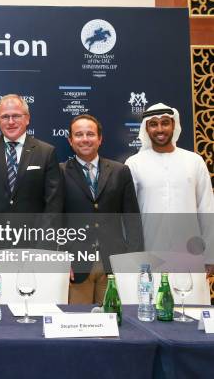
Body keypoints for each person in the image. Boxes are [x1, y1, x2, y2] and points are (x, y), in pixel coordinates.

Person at [61, 114, 142, 304]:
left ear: (100, 139)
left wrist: (133, 258)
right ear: (70, 140)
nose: (85, 139)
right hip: (76, 265)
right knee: (79, 324)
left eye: (90, 134)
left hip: (113, 265)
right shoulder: (59, 172)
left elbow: (132, 219)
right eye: (79, 134)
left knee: (114, 323)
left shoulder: (120, 171)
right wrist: (61, 260)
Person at [126, 103, 214, 260]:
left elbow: (207, 209)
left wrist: (210, 255)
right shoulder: (134, 163)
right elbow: (127, 215)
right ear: (146, 129)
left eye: (165, 123)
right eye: (153, 124)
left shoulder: (194, 161)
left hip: (191, 251)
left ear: (174, 125)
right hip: (149, 251)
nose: (160, 129)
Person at [0, 94, 63, 215]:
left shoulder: (46, 152)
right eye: (5, 117)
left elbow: (53, 203)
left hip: (33, 232)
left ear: (27, 118)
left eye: (16, 116)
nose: (11, 122)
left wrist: (42, 233)